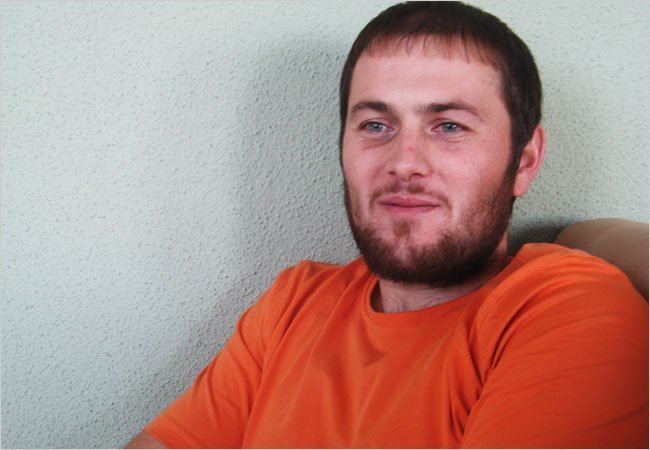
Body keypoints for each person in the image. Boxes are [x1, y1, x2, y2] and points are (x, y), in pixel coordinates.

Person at [126, 2, 648, 448]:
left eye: (449, 126)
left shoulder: (568, 310)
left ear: (525, 161)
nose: (404, 162)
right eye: (376, 125)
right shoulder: (293, 303)